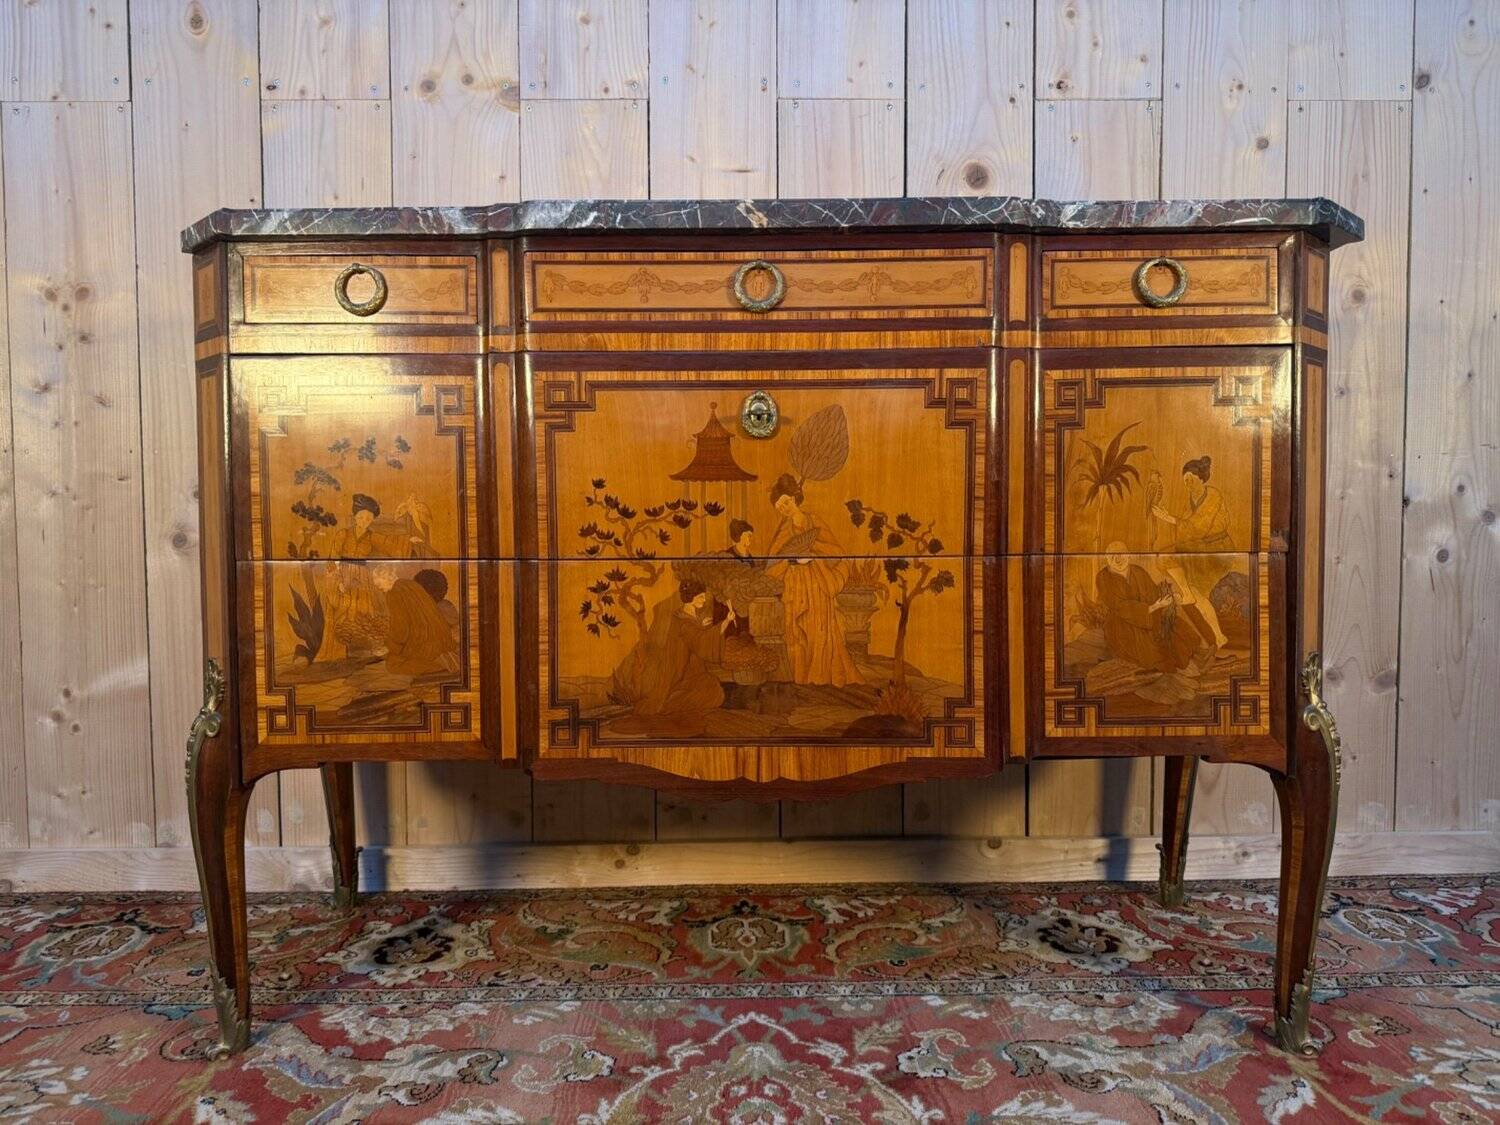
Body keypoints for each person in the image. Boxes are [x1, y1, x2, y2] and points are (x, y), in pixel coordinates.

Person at [765, 473, 860, 686]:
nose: (785, 509)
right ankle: (802, 680)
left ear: (795, 498)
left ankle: (821, 677)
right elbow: (771, 563)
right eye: (780, 507)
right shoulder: (784, 529)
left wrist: (813, 550)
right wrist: (789, 560)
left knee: (818, 628)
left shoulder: (814, 521)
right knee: (796, 632)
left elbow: (836, 551)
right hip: (794, 585)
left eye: (786, 503)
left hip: (816, 582)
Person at [610, 580, 734, 735]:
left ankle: (670, 702)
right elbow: (701, 642)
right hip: (681, 674)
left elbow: (695, 636)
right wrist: (726, 622)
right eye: (701, 597)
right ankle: (666, 706)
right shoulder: (683, 621)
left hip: (691, 671)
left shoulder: (685, 615)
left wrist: (702, 625)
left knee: (713, 690)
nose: (704, 600)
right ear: (691, 598)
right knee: (711, 693)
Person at [1150, 456, 1232, 648]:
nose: (1188, 484)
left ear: (1202, 478)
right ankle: (1217, 634)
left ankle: (1219, 635)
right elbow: (1186, 532)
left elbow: (1198, 528)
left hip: (1217, 551)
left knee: (1198, 591)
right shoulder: (1192, 500)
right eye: (1185, 480)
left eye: (1191, 479)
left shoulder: (1213, 495)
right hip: (1197, 549)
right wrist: (1171, 521)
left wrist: (1171, 519)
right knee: (1164, 557)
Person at [1095, 544, 1201, 672]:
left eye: (1121, 554)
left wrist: (1169, 596)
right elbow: (1119, 606)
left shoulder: (1138, 571)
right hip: (1122, 624)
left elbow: (1153, 593)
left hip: (1149, 615)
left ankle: (1197, 658)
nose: (1118, 559)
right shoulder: (1103, 577)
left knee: (1175, 626)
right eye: (1113, 556)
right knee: (1150, 650)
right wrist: (1153, 607)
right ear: (1107, 558)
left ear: (1128, 555)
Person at [374, 565, 460, 676]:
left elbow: (401, 628)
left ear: (386, 577)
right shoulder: (410, 584)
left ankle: (440, 665)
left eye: (378, 582)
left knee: (393, 666)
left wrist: (389, 648)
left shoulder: (394, 593)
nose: (377, 586)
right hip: (439, 639)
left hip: (425, 642)